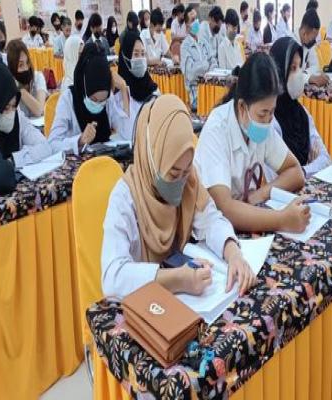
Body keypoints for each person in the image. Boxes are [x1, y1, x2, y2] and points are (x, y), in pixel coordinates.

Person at [101, 94, 256, 298]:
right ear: (151, 159)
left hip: (185, 299)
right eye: (173, 174)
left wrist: (233, 253)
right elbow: (113, 277)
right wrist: (176, 279)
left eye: (186, 171)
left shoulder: (189, 182)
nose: (181, 182)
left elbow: (211, 220)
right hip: (143, 304)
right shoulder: (125, 197)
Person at [194, 53, 308, 234]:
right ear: (242, 107)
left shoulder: (261, 124)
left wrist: (260, 194)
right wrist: (282, 219)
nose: (268, 121)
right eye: (262, 114)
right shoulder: (217, 129)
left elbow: (295, 172)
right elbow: (225, 208)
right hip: (215, 230)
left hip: (248, 218)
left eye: (272, 112)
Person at [48, 43, 129, 154]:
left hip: (105, 160)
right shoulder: (68, 99)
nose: (98, 105)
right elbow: (52, 144)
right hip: (78, 162)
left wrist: (123, 90)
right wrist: (79, 140)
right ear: (84, 88)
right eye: (94, 100)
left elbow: (126, 133)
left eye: (102, 101)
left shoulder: (108, 98)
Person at [271, 37, 331, 178]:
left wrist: (301, 172)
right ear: (279, 72)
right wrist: (311, 166)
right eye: (293, 68)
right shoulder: (269, 117)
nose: (299, 74)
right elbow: (276, 177)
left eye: (300, 67)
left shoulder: (302, 113)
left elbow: (326, 159)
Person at [117, 31, 160, 140]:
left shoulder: (152, 89)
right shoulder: (118, 96)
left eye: (143, 54)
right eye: (136, 54)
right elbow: (128, 134)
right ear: (125, 57)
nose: (140, 59)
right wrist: (124, 92)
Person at [181, 7, 216, 110]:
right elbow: (191, 74)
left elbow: (214, 61)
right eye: (193, 20)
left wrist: (209, 73)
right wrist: (206, 65)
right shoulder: (185, 46)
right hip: (196, 95)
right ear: (187, 25)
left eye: (197, 18)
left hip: (210, 89)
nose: (196, 22)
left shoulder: (203, 41)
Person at [6, 40, 47, 118]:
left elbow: (39, 111)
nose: (26, 68)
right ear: (12, 68)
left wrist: (21, 90)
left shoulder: (38, 77)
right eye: (20, 65)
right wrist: (15, 87)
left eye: (27, 62)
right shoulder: (9, 84)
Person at [295, 10, 329, 87]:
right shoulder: (291, 43)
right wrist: (309, 78)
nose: (314, 41)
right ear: (304, 33)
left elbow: (315, 66)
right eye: (313, 38)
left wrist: (306, 74)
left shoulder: (308, 43)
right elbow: (291, 76)